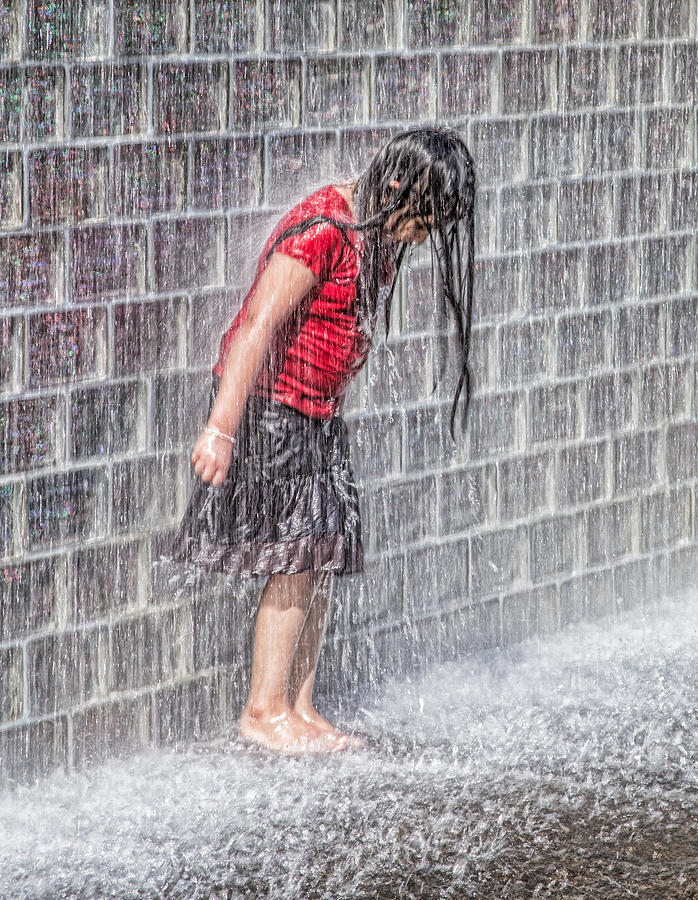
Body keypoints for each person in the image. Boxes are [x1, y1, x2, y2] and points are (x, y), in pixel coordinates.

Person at [167, 127, 476, 753]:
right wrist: (221, 430)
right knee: (299, 552)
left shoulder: (375, 232)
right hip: (270, 411)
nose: (426, 234)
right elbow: (257, 326)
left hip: (315, 416)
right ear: (396, 187)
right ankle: (262, 711)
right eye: (426, 217)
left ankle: (298, 705)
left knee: (325, 550)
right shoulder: (325, 228)